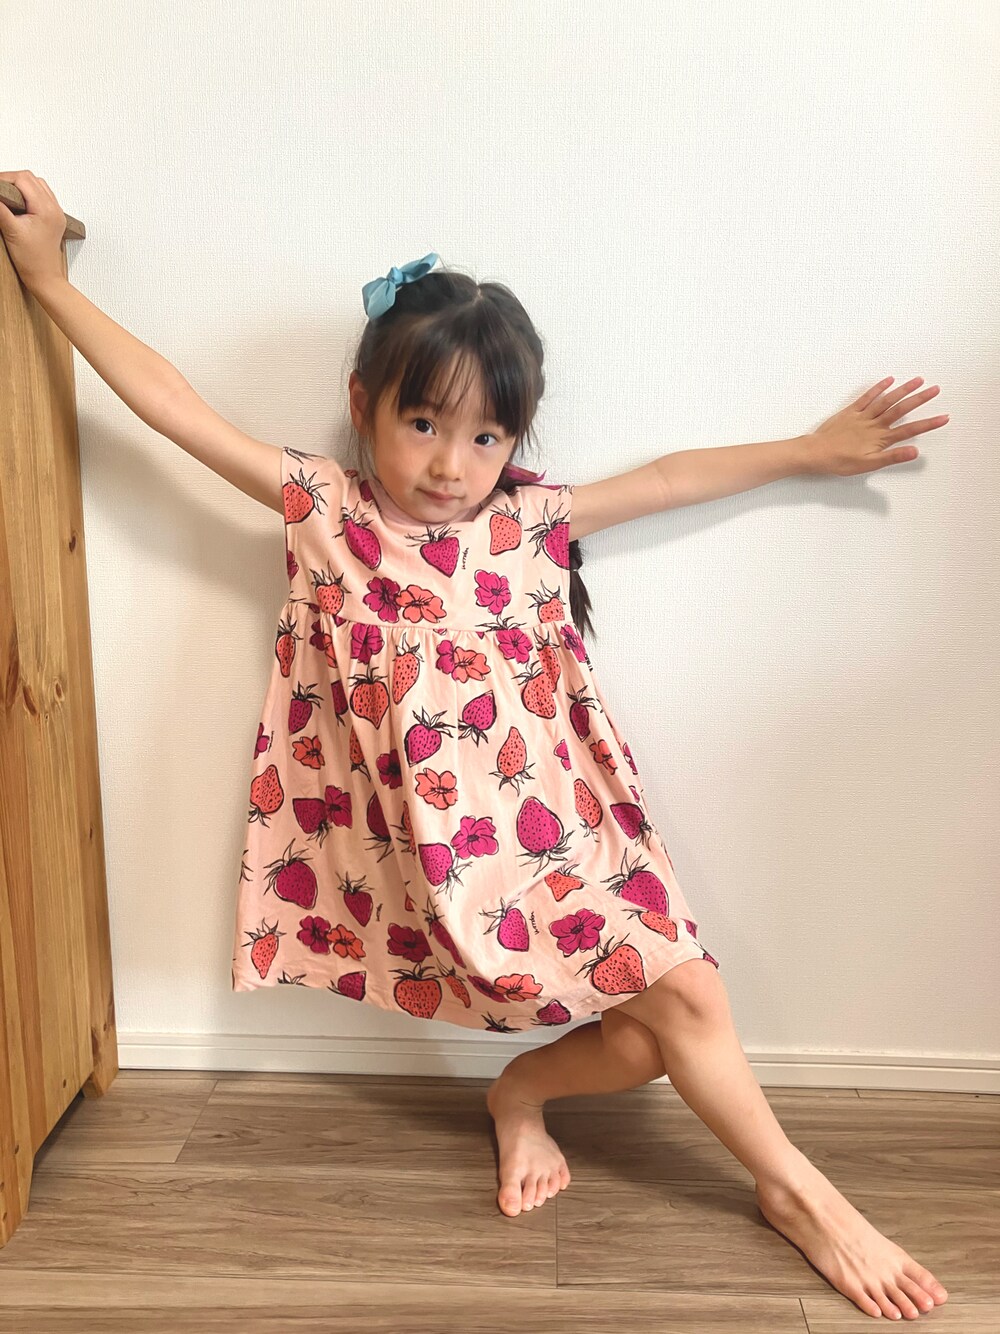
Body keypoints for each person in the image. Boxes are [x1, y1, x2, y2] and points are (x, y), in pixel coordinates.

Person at [0, 170, 951, 1324]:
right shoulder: (329, 515)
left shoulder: (525, 523)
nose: (452, 465)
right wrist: (49, 284)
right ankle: (792, 1187)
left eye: (485, 435)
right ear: (363, 403)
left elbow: (667, 478)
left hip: (568, 836)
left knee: (659, 1025)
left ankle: (531, 1096)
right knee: (681, 1008)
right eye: (424, 424)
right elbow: (173, 406)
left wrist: (807, 449)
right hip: (443, 861)